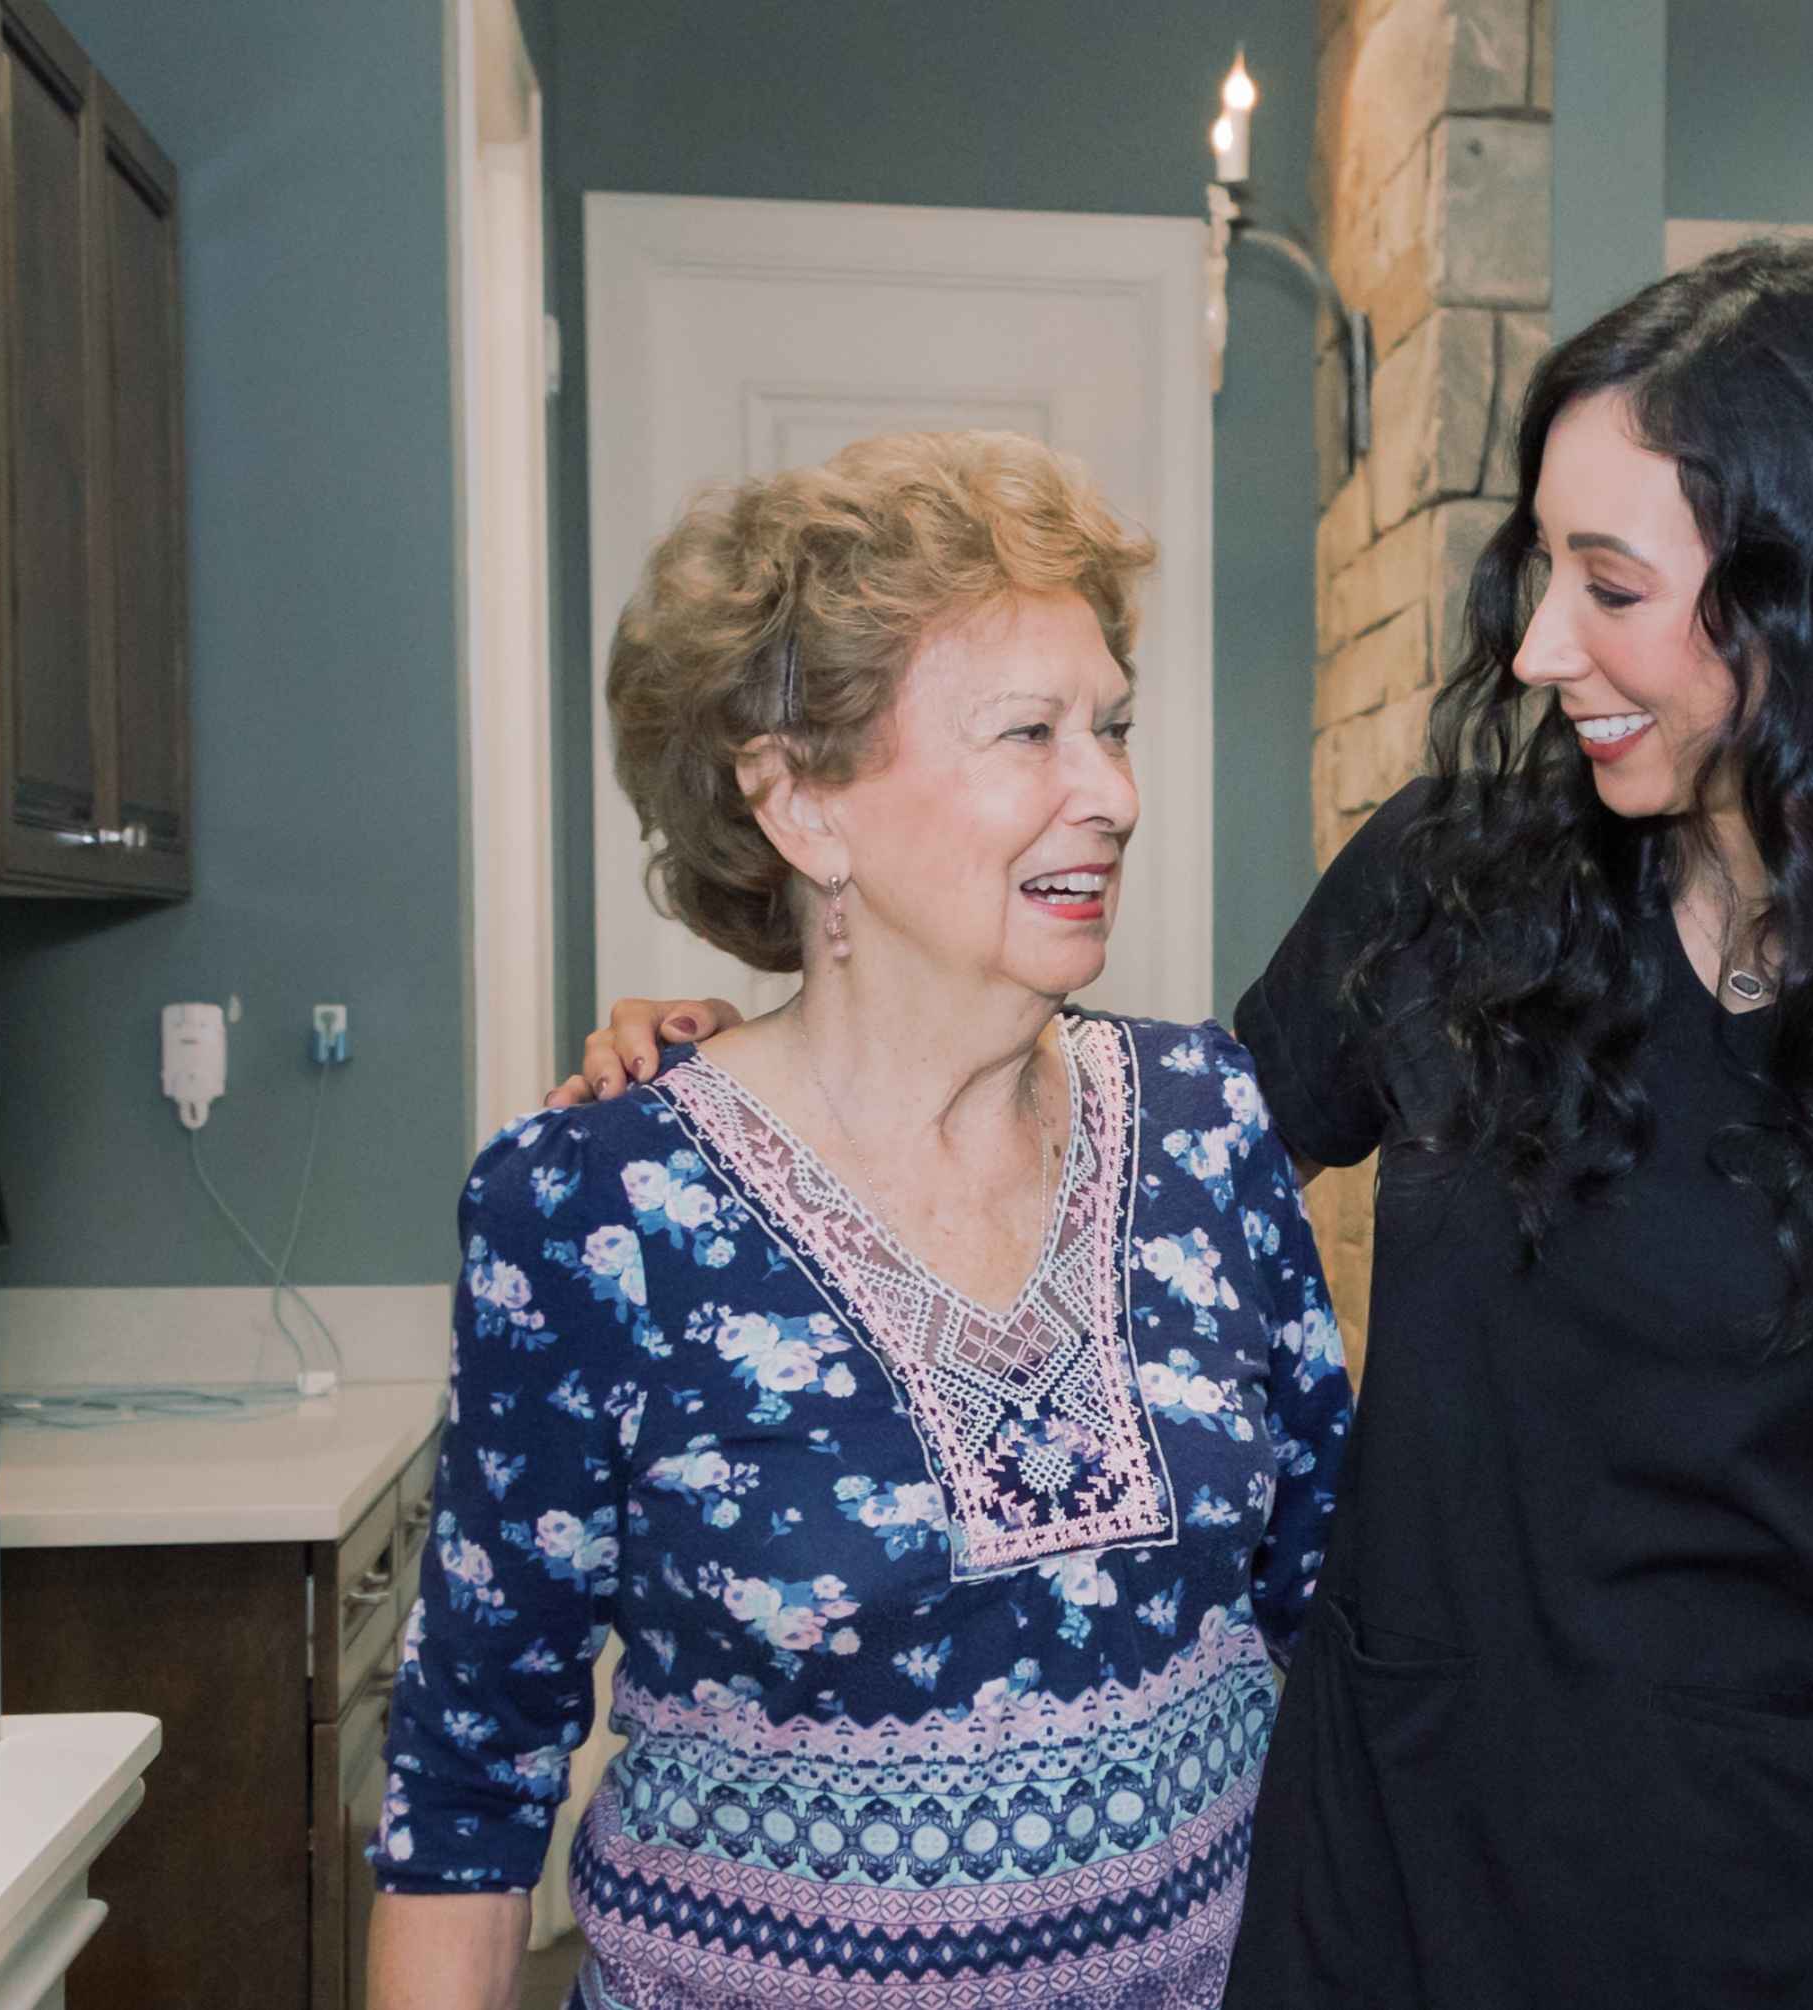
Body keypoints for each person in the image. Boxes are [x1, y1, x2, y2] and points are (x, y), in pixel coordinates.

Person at [573, 239, 1813, 2009]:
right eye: (1538, 564)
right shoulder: (1452, 885)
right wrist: (786, 1063)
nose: (1539, 641)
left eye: (1612, 584)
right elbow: (1111, 1161)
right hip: (1401, 1891)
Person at [369, 431, 1352, 2010]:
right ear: (801, 800)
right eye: (1027, 732)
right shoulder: (594, 1210)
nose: (1110, 791)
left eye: (1111, 726)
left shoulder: (1211, 1122)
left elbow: (1344, 1611)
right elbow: (468, 1797)